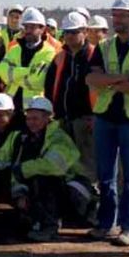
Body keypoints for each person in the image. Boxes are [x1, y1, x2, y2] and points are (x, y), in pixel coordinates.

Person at [86, 0, 129, 246]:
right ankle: (106, 223)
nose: (117, 20)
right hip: (105, 117)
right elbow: (91, 80)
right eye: (115, 15)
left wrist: (108, 79)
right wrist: (121, 78)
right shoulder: (104, 47)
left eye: (123, 15)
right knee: (105, 175)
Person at [12, 97, 84, 242]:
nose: (31, 122)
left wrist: (23, 169)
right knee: (34, 178)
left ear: (47, 118)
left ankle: (50, 226)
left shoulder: (59, 138)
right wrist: (20, 193)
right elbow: (16, 168)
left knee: (44, 178)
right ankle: (37, 219)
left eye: (35, 118)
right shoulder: (27, 139)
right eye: (28, 118)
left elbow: (53, 167)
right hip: (58, 189)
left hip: (75, 191)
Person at [43, 12, 96, 184]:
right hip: (63, 119)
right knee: (64, 163)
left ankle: (87, 201)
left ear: (85, 32)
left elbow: (103, 90)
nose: (70, 36)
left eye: (74, 32)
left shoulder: (95, 56)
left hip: (85, 120)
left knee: (86, 165)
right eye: (67, 32)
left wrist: (96, 116)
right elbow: (50, 86)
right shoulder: (60, 57)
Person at [0, 7, 57, 113]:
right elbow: (4, 74)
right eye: (26, 27)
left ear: (42, 29)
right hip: (11, 106)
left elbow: (38, 81)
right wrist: (28, 71)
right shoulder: (14, 49)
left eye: (32, 27)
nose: (28, 31)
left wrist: (14, 74)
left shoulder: (50, 52)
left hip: (34, 108)